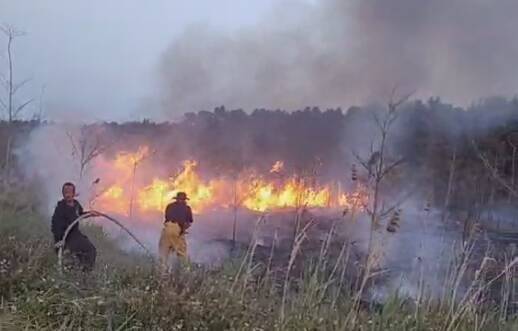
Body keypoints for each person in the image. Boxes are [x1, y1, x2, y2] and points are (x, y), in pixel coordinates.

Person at [51, 182, 98, 272]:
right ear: (63, 193)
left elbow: (80, 215)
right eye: (65, 192)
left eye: (69, 192)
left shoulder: (76, 205)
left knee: (91, 250)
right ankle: (73, 272)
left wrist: (90, 213)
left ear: (73, 193)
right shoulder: (60, 208)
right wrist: (59, 240)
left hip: (76, 235)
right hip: (66, 237)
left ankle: (85, 273)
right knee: (70, 258)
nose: (67, 194)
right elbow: (55, 226)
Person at [159, 192, 193, 270]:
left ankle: (163, 272)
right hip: (177, 230)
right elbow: (188, 222)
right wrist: (183, 230)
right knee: (182, 253)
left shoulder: (169, 206)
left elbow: (167, 217)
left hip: (166, 229)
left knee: (163, 253)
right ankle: (185, 271)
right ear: (184, 200)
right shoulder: (187, 208)